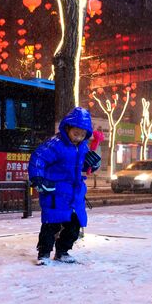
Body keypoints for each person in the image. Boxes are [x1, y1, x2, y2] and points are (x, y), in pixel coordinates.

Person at [28, 107, 101, 265]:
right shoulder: (55, 145)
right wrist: (38, 178)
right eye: (76, 133)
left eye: (82, 135)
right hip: (55, 192)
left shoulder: (83, 147)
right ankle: (44, 253)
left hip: (74, 194)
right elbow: (38, 158)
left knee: (74, 226)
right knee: (51, 224)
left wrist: (93, 165)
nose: (78, 138)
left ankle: (63, 251)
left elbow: (82, 167)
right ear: (67, 128)